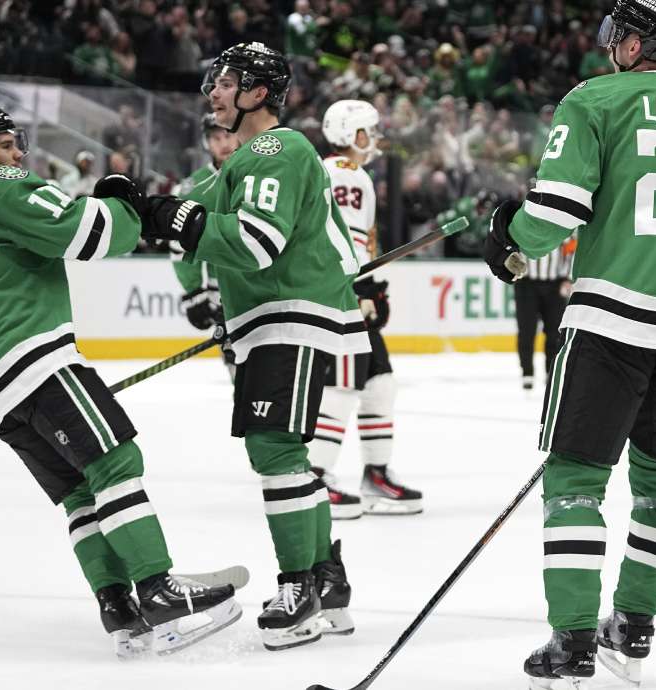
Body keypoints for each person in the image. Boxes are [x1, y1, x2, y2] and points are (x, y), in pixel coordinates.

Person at [481, 2, 656, 687]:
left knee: (576, 480)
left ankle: (573, 640)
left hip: (612, 323)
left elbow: (555, 211)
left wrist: (509, 241)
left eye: (621, 35)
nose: (614, 45)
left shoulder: (594, 98)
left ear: (638, 44)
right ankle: (633, 629)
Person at [0, 106, 241, 657]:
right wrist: (124, 202)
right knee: (115, 463)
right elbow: (86, 233)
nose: (17, 153)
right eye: (4, 143)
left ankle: (118, 608)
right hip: (37, 361)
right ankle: (159, 592)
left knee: (79, 495)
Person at [137, 42, 368, 651]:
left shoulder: (277, 146)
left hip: (287, 313)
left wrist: (172, 217)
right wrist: (143, 209)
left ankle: (299, 588)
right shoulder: (238, 164)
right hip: (273, 318)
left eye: (225, 82)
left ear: (257, 93)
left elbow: (255, 243)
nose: (212, 91)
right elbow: (193, 223)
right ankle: (325, 580)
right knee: (287, 452)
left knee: (273, 452)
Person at [307, 98, 422, 520]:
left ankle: (375, 474)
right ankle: (315, 476)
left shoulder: (336, 172)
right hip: (339, 292)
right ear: (347, 134)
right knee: (340, 384)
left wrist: (368, 284)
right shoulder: (346, 173)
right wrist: (360, 289)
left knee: (379, 381)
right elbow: (346, 243)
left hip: (345, 286)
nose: (371, 139)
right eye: (365, 131)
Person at [170, 113, 239, 376]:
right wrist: (193, 292)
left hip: (266, 286)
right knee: (241, 375)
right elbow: (179, 247)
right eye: (215, 137)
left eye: (228, 135)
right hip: (223, 293)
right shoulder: (192, 189)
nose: (223, 143)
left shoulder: (258, 172)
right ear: (206, 142)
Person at [514, 224, 576, 391]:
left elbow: (572, 250)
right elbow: (511, 245)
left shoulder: (563, 225)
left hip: (554, 284)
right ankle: (527, 372)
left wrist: (568, 278)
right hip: (526, 284)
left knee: (555, 331)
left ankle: (551, 370)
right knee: (526, 330)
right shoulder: (524, 220)